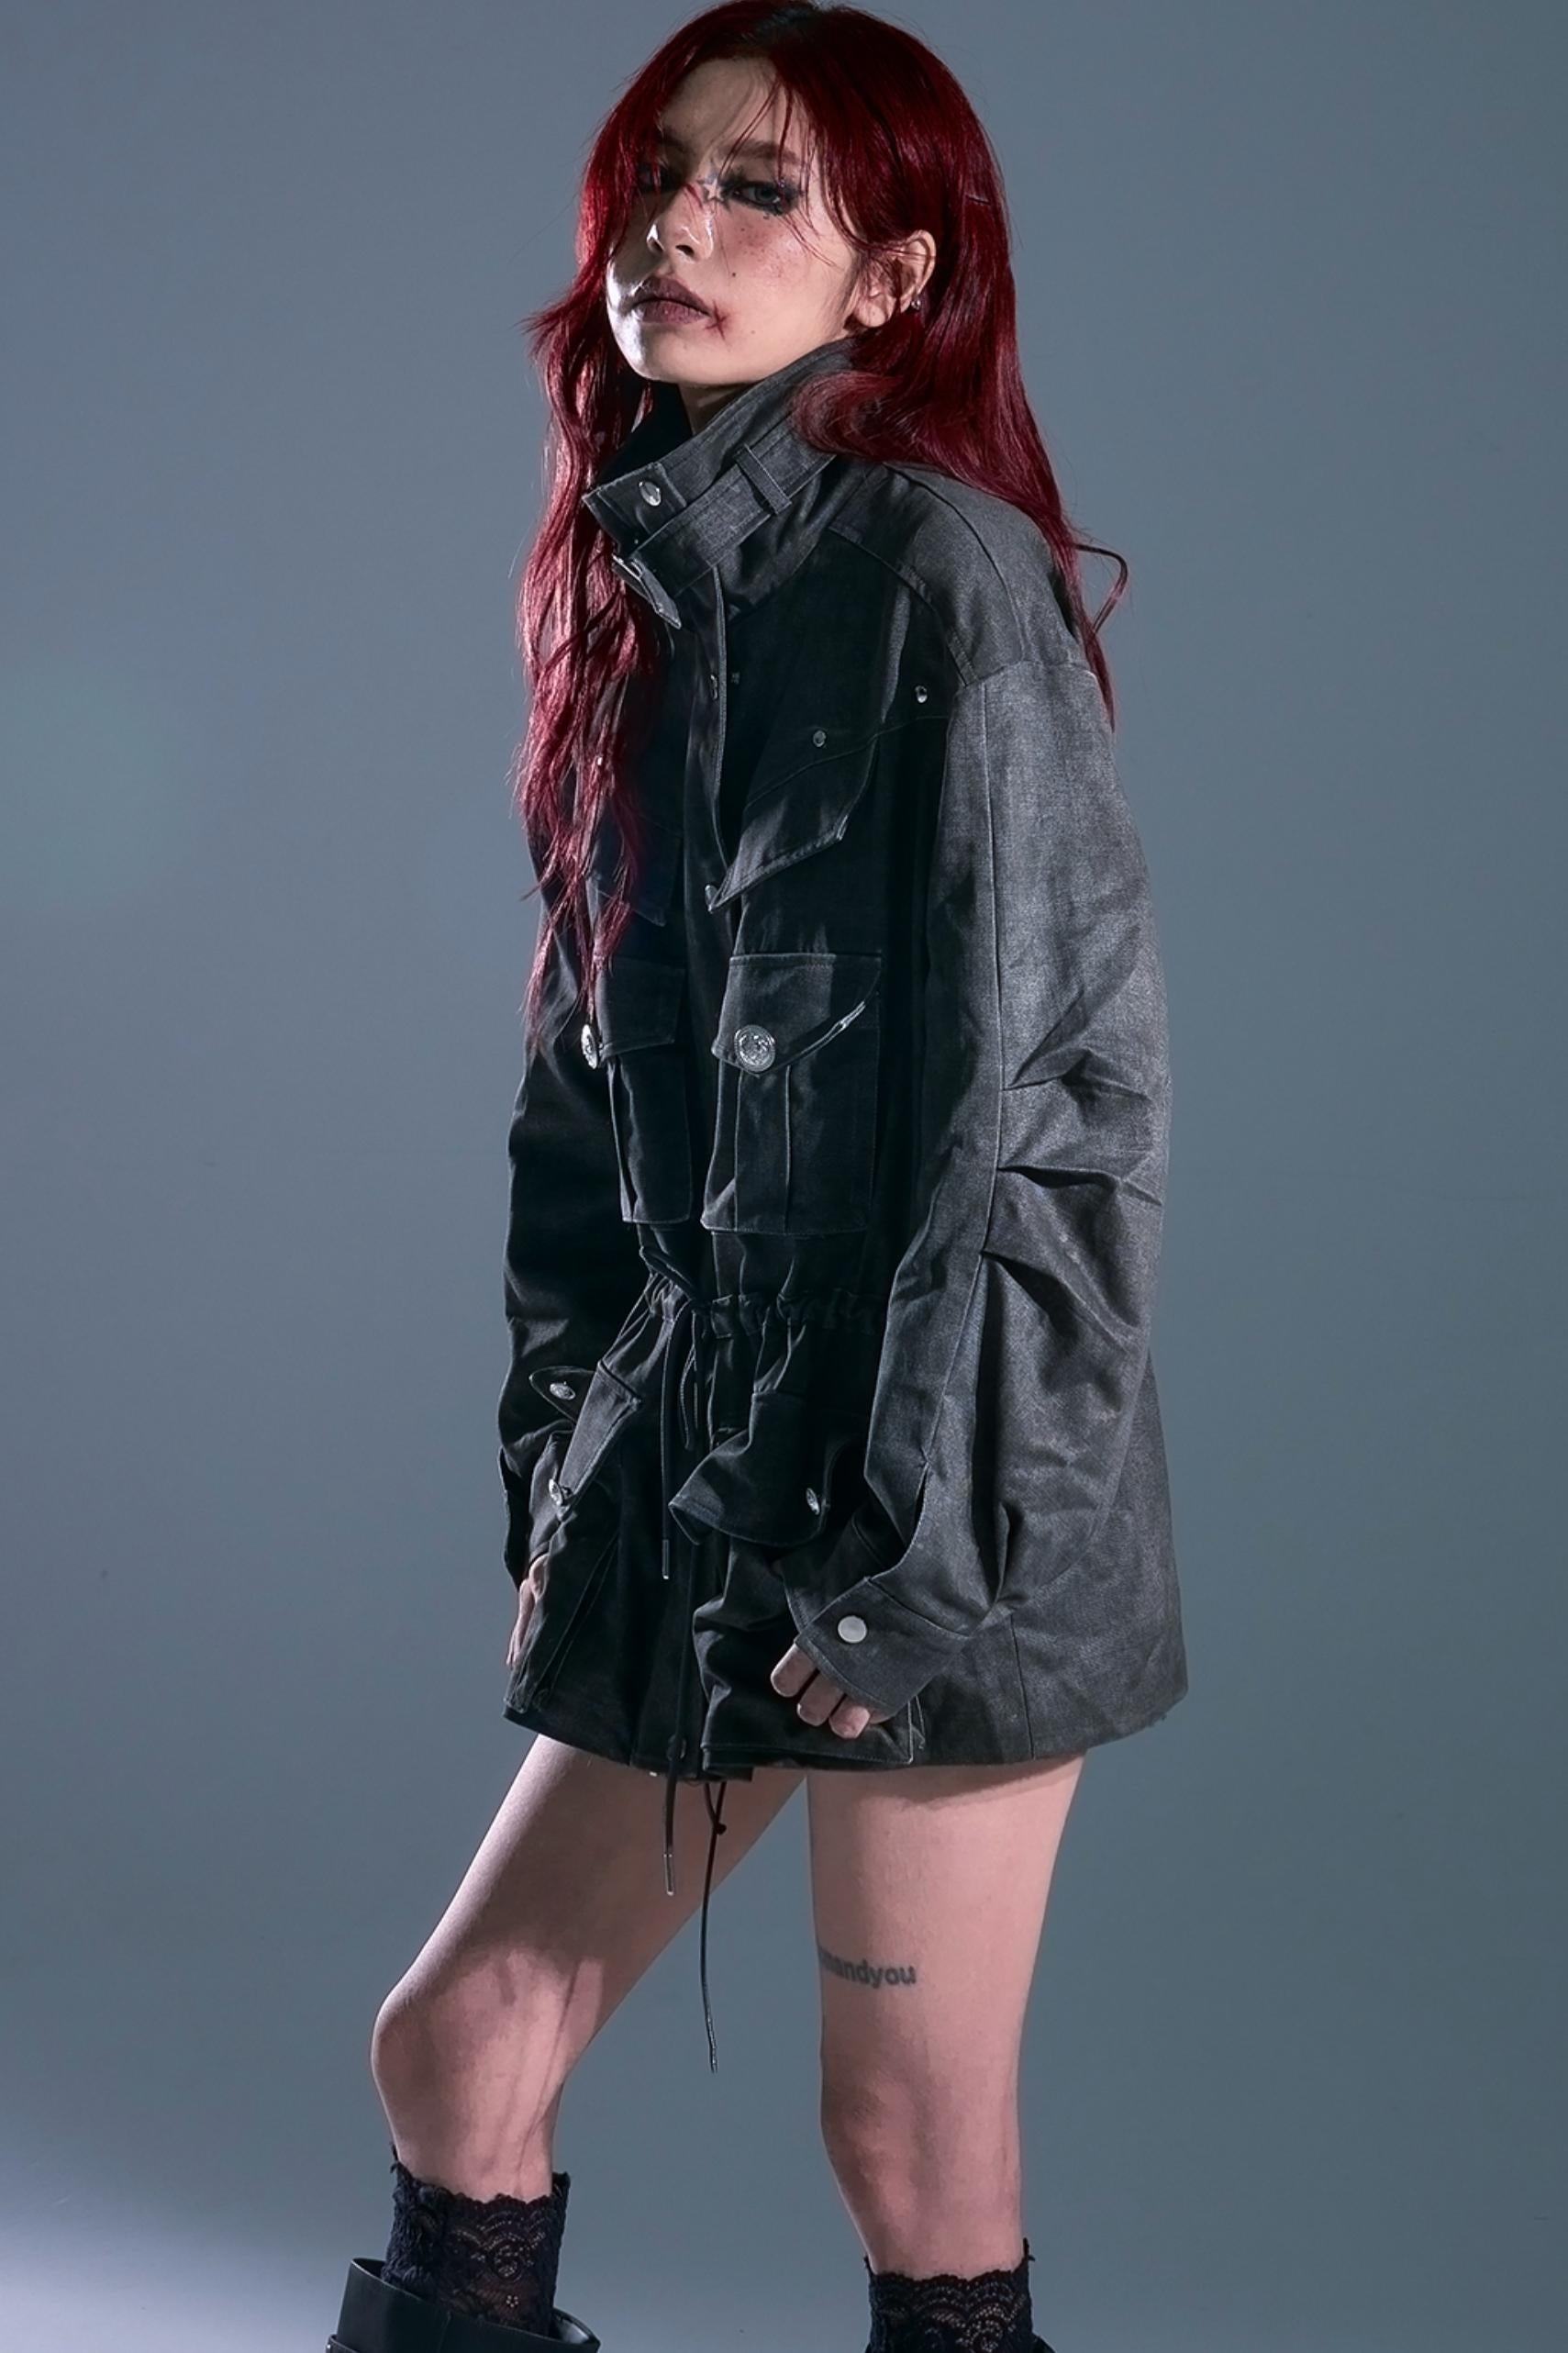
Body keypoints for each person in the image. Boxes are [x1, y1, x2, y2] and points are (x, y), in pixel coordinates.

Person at [326, 7, 1188, 2351]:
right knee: (461, 2049)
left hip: (951, 1495)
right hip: (705, 1464)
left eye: (759, 189)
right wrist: (565, 1462)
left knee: (908, 2143)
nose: (674, 227)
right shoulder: (645, 607)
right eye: (656, 174)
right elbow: (584, 1114)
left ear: (894, 277)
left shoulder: (937, 581)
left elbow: (1048, 1128)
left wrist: (912, 1558)